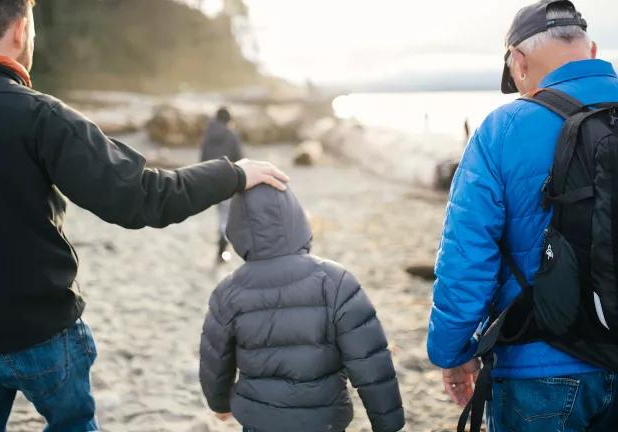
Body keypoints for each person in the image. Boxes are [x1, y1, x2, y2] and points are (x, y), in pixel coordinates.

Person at [0, 0, 289, 430]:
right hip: (41, 333)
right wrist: (232, 174)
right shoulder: (39, 115)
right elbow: (141, 197)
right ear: (20, 30)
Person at [427, 1, 618, 431]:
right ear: (592, 52)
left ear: (518, 61)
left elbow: (466, 258)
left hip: (540, 366)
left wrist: (453, 354)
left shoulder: (503, 128)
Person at [199, 185, 405, 432]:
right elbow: (370, 360)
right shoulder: (336, 281)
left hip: (260, 421)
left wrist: (219, 403)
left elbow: (215, 359)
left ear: (237, 229)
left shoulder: (227, 292)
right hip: (324, 421)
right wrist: (388, 423)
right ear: (296, 220)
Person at [200, 106, 244, 263]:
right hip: (227, 180)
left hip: (210, 180)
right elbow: (239, 159)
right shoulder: (231, 135)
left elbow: (202, 158)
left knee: (221, 213)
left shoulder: (207, 134)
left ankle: (221, 245)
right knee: (226, 215)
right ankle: (222, 248)